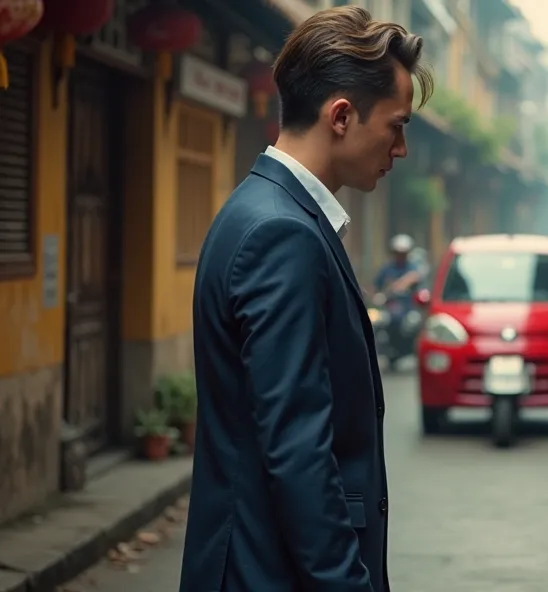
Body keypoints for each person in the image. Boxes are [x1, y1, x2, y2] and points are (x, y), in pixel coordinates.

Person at [180, 7, 432, 592]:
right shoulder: (282, 233)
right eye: (396, 126)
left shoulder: (261, 208)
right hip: (270, 570)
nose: (401, 149)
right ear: (341, 116)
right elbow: (298, 449)